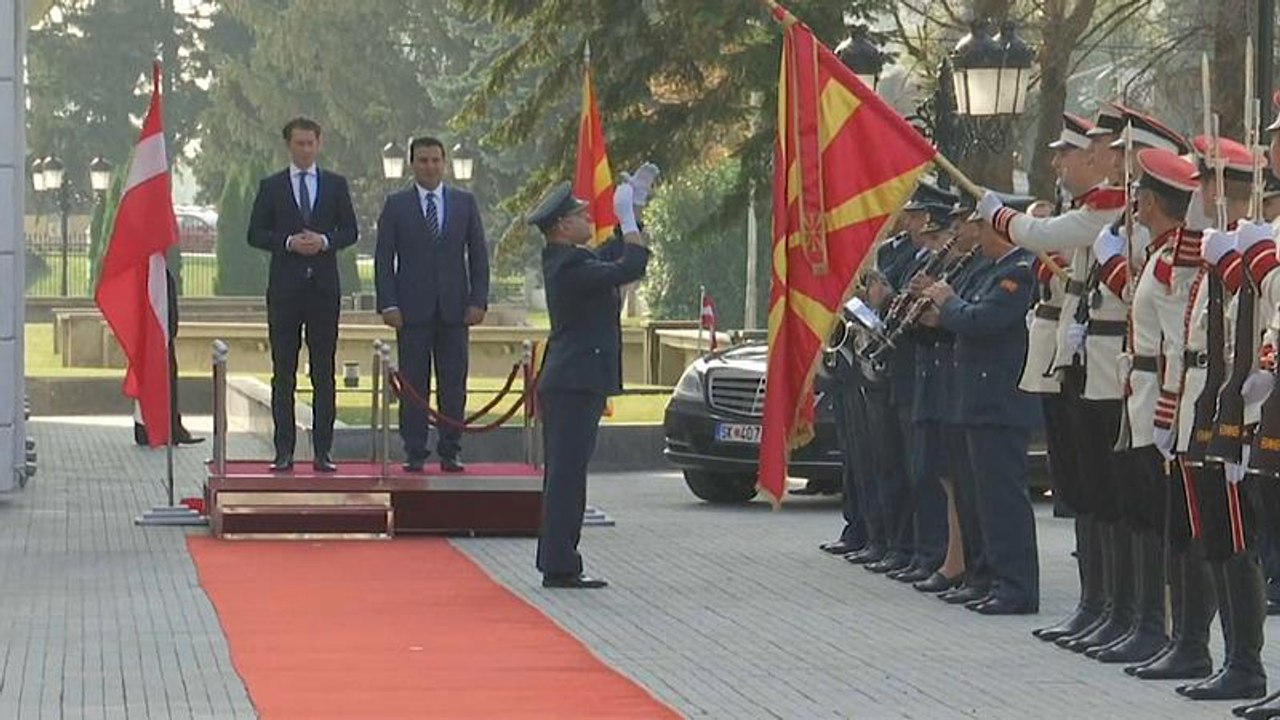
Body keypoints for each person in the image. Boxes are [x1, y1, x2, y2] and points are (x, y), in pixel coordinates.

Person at [530, 172, 653, 589]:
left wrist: (632, 213)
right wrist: (628, 222)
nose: (588, 219)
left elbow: (612, 253)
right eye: (581, 215)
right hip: (574, 381)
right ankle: (561, 564)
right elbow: (631, 264)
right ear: (563, 225)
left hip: (575, 379)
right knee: (566, 477)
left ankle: (559, 559)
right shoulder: (569, 265)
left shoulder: (572, 259)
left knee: (568, 475)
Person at [923, 204, 1040, 616]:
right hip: (977, 400)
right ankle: (985, 576)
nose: (976, 236)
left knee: (1003, 499)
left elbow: (983, 320)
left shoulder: (1019, 271)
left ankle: (1016, 586)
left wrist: (949, 304)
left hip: (1000, 402)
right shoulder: (990, 270)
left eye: (981, 228)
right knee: (980, 499)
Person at [248, 117, 359, 473]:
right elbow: (255, 233)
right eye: (299, 144)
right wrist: (288, 242)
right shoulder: (272, 186)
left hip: (323, 290)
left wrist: (325, 241)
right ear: (289, 146)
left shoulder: (335, 185)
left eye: (311, 143)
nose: (305, 149)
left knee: (323, 371)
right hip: (285, 291)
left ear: (319, 144)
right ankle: (284, 451)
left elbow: (351, 230)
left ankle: (323, 450)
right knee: (284, 372)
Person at [375, 137, 490, 473]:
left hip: (455, 310)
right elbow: (384, 259)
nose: (430, 166)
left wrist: (478, 300)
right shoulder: (397, 205)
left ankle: (450, 449)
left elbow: (478, 255)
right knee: (414, 383)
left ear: (444, 163)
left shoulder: (463, 202)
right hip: (411, 311)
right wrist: (388, 304)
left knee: (453, 382)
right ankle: (414, 450)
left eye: (436, 160)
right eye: (423, 160)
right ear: (413, 164)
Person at [132, 254, 203, 447]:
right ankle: (153, 427)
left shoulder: (158, 267)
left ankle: (168, 425)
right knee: (155, 375)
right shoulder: (150, 264)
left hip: (160, 331)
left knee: (166, 374)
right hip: (154, 332)